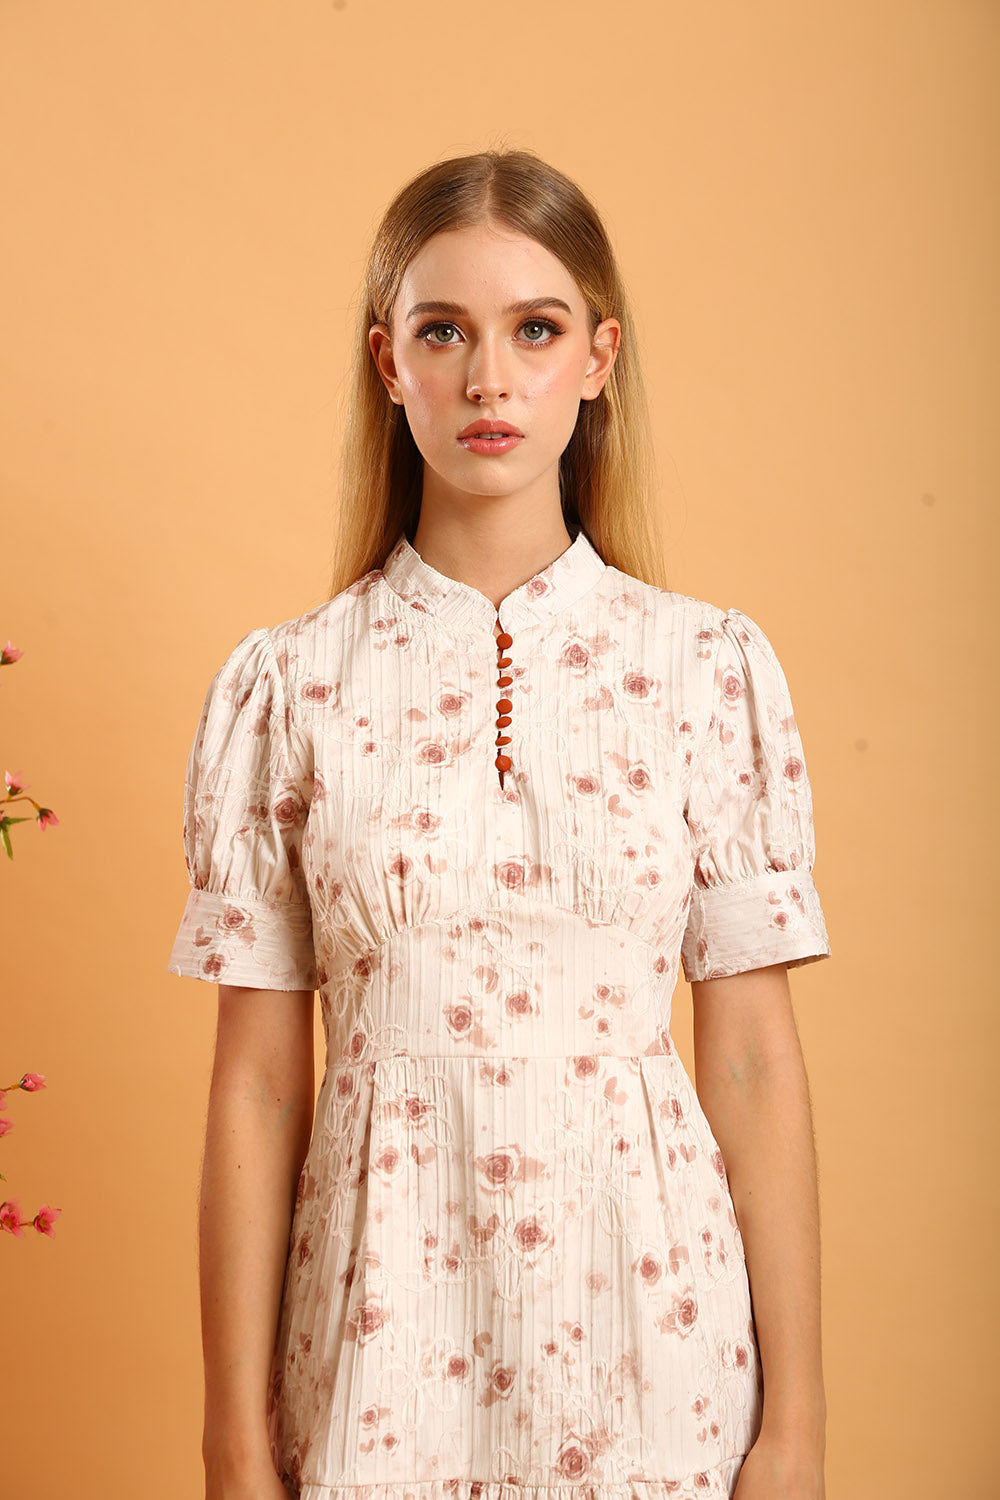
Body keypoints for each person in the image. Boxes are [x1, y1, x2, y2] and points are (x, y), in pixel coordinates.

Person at [167, 148, 831, 1500]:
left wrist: (798, 1427)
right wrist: (232, 1438)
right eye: (443, 332)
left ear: (598, 359)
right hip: (376, 1349)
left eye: (534, 330)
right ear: (387, 362)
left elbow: (754, 1059)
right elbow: (258, 1084)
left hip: (659, 1342)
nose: (489, 379)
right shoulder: (291, 684)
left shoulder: (705, 667)